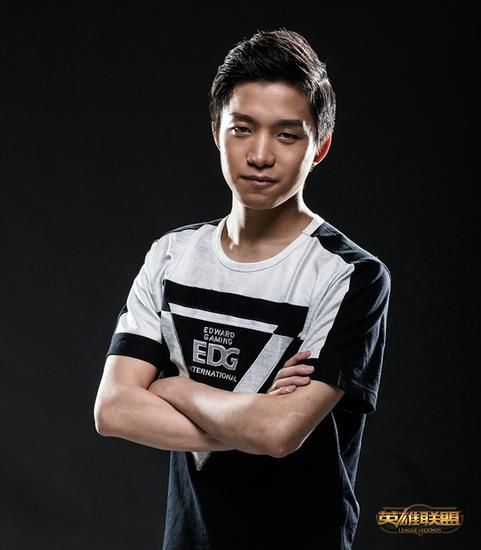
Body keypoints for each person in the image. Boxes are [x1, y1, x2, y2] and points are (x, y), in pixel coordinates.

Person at [94, 28, 391, 550]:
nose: (259, 154)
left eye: (287, 135)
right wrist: (251, 420)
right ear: (217, 132)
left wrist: (175, 389)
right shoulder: (172, 255)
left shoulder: (349, 275)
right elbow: (113, 409)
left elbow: (279, 434)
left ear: (319, 147)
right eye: (242, 129)